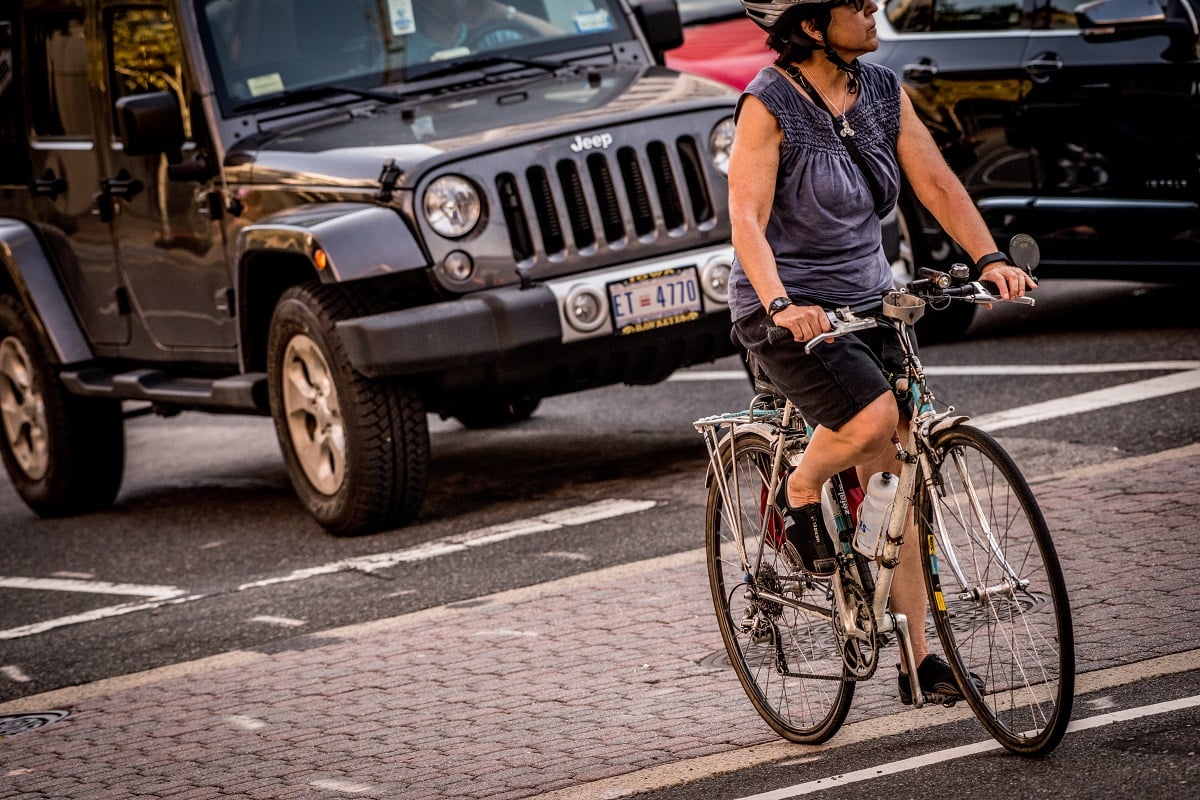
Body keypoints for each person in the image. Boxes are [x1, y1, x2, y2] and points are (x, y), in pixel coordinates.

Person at [727, 0, 1036, 704]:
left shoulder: (882, 91)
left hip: (870, 302)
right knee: (870, 421)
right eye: (857, 6)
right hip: (790, 311)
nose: (873, 13)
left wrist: (986, 255)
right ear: (811, 26)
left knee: (896, 479)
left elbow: (934, 182)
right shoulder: (769, 103)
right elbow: (745, 216)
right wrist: (781, 304)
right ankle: (802, 488)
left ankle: (919, 659)